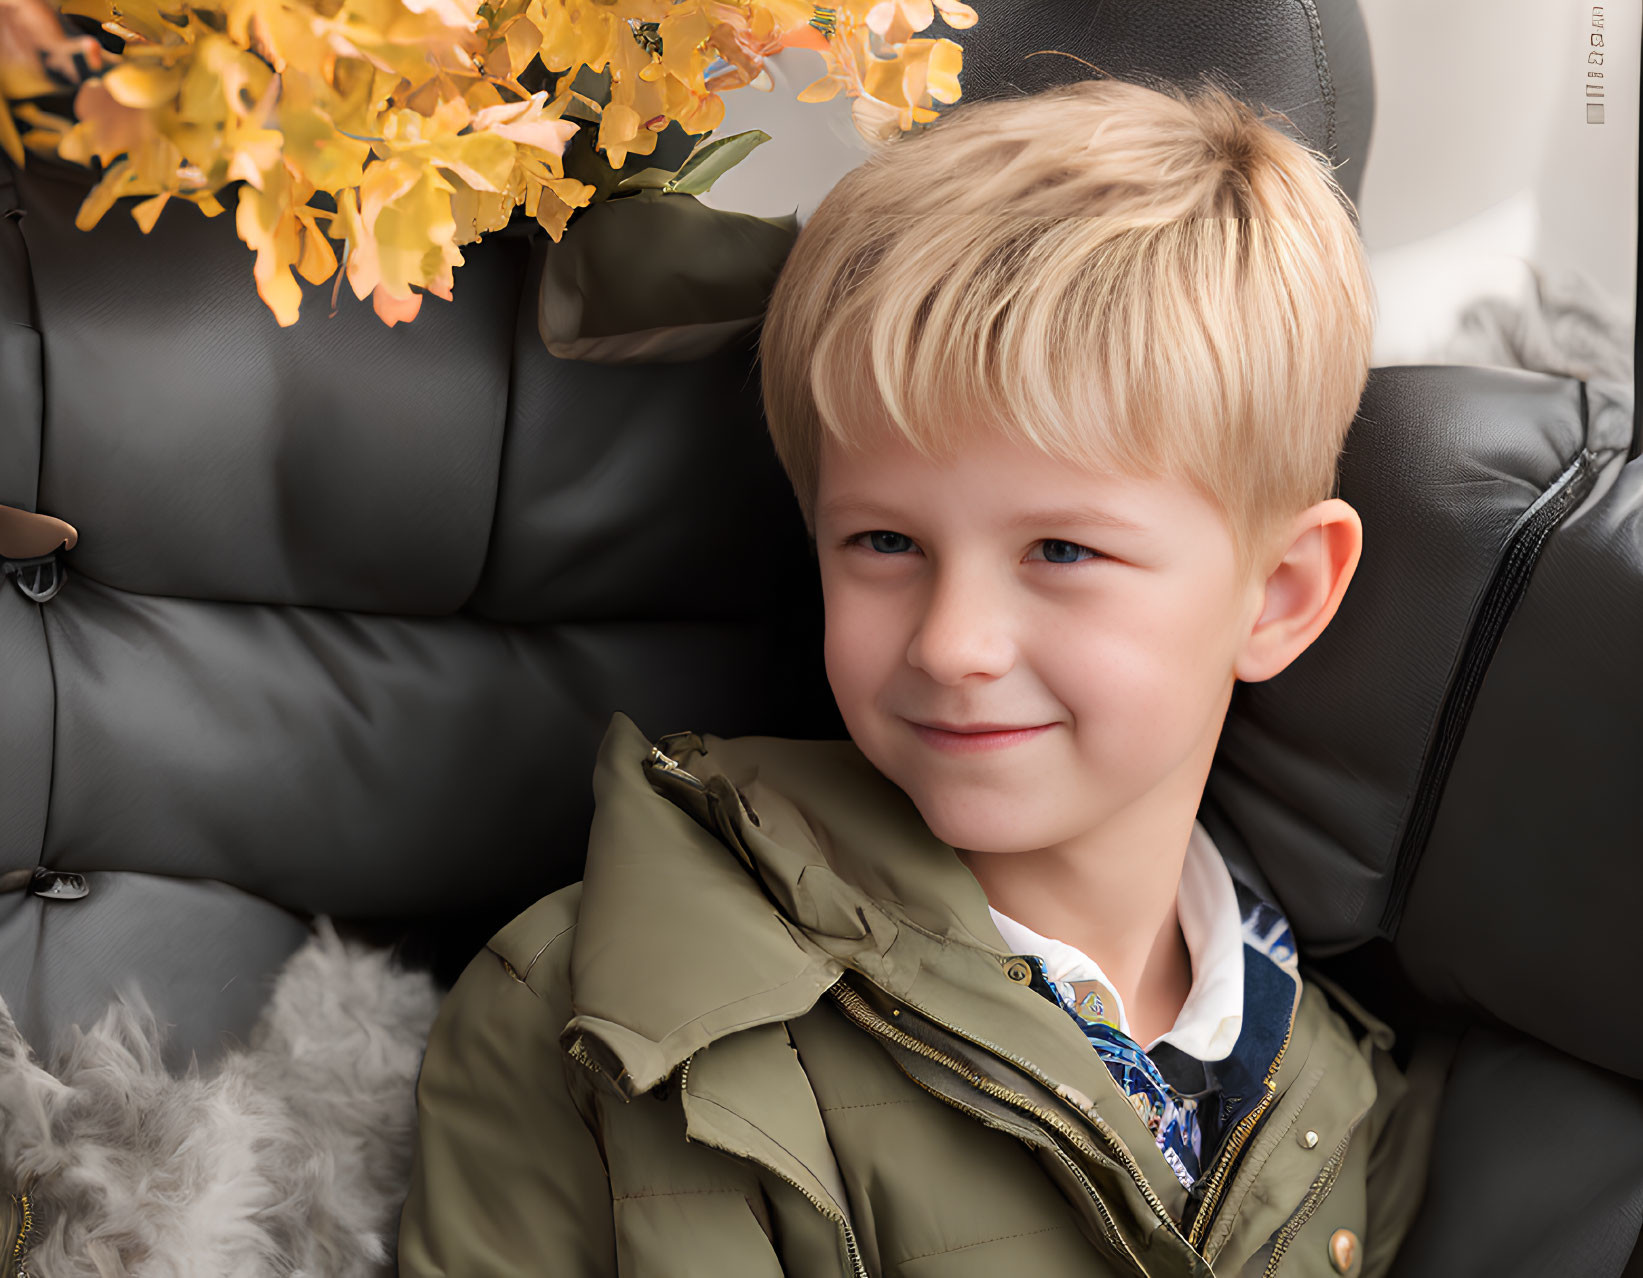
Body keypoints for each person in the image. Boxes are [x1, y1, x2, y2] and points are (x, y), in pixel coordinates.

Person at [397, 76, 1449, 1278]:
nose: (952, 643)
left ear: (1278, 596)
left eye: (1061, 550)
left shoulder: (1343, 1106)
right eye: (883, 544)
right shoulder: (582, 1016)